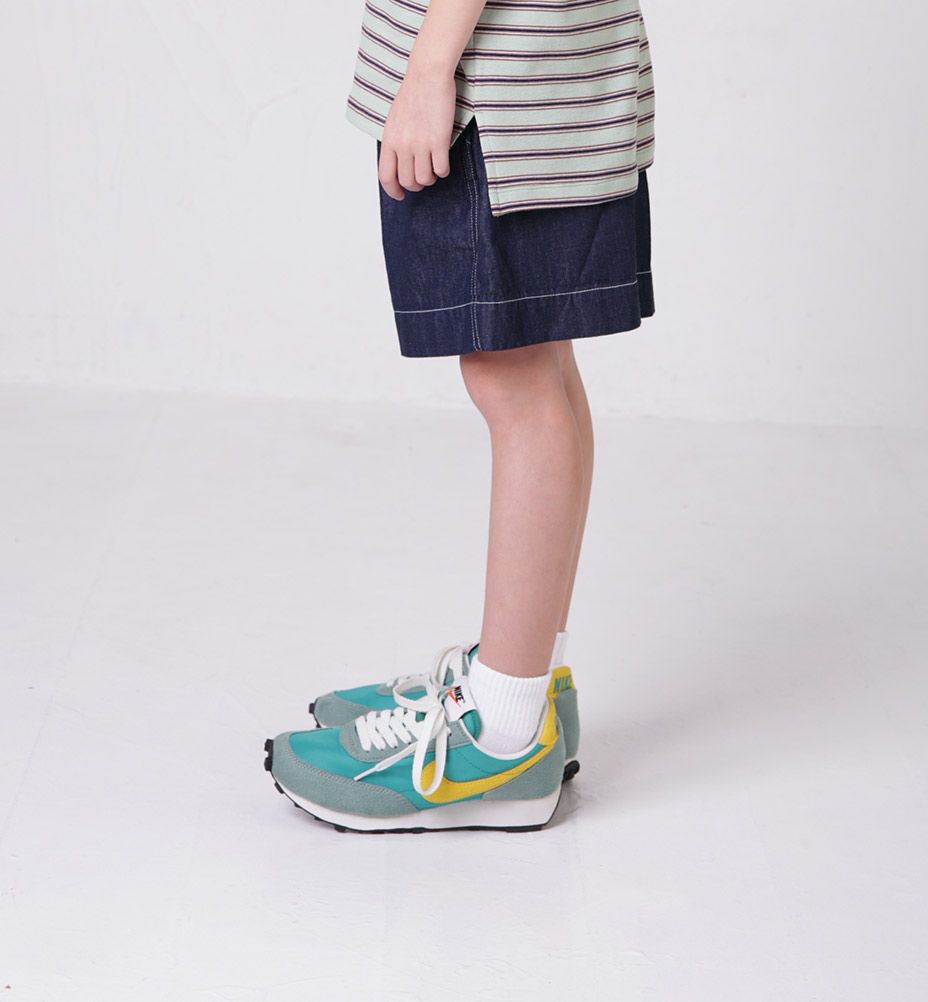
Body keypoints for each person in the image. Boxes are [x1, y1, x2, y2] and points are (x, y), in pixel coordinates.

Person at [265, 0, 656, 832]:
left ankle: (503, 740)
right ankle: (524, 685)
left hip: (497, 86)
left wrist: (428, 68)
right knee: (539, 364)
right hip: (544, 78)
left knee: (513, 377)